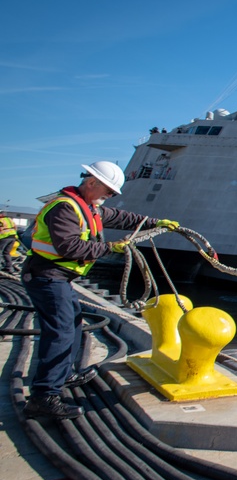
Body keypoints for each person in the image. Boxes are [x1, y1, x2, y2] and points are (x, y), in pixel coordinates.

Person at [21, 161, 179, 420]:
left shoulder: (88, 207)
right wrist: (110, 248)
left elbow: (122, 217)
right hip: (47, 277)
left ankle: (64, 375)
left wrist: (154, 223)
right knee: (60, 333)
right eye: (108, 191)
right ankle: (43, 397)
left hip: (59, 278)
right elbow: (69, 248)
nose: (110, 197)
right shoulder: (65, 208)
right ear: (91, 182)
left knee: (72, 324)